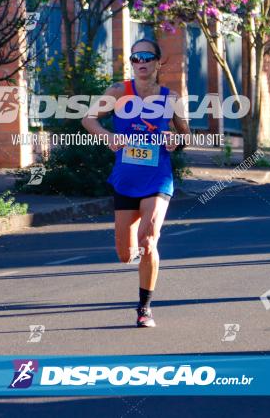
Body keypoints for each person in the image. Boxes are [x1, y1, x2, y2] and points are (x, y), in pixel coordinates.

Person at [81, 38, 191, 327]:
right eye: (135, 58)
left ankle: (145, 308)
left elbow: (186, 134)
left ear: (157, 62)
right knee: (125, 253)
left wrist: (175, 141)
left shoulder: (171, 98)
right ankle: (138, 271)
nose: (140, 62)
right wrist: (108, 137)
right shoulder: (119, 92)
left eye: (146, 57)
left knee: (148, 238)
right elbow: (89, 119)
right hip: (126, 178)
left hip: (158, 177)